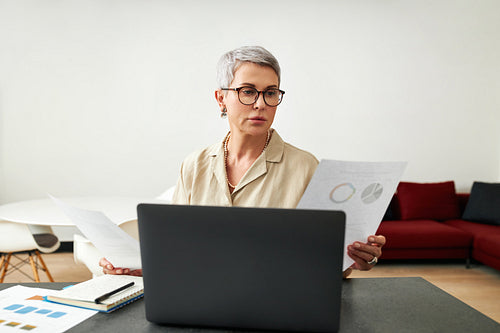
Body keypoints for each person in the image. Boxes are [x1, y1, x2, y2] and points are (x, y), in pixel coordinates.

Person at [100, 46, 385, 278]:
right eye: (247, 91)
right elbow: (179, 250)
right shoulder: (194, 165)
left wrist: (355, 259)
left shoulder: (306, 167)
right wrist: (137, 269)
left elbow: (327, 264)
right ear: (221, 99)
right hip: (202, 301)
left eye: (270, 92)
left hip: (277, 305)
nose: (260, 103)